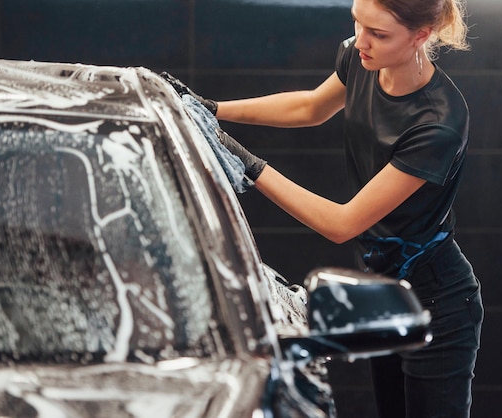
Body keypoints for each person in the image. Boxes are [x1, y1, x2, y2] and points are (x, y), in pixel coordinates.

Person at [168, 0, 483, 416]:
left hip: (438, 305)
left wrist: (246, 164)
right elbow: (311, 108)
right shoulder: (360, 57)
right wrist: (212, 111)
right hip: (382, 292)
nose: (361, 41)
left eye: (378, 34)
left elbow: (342, 223)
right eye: (358, 23)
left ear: (421, 36)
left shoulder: (439, 122)